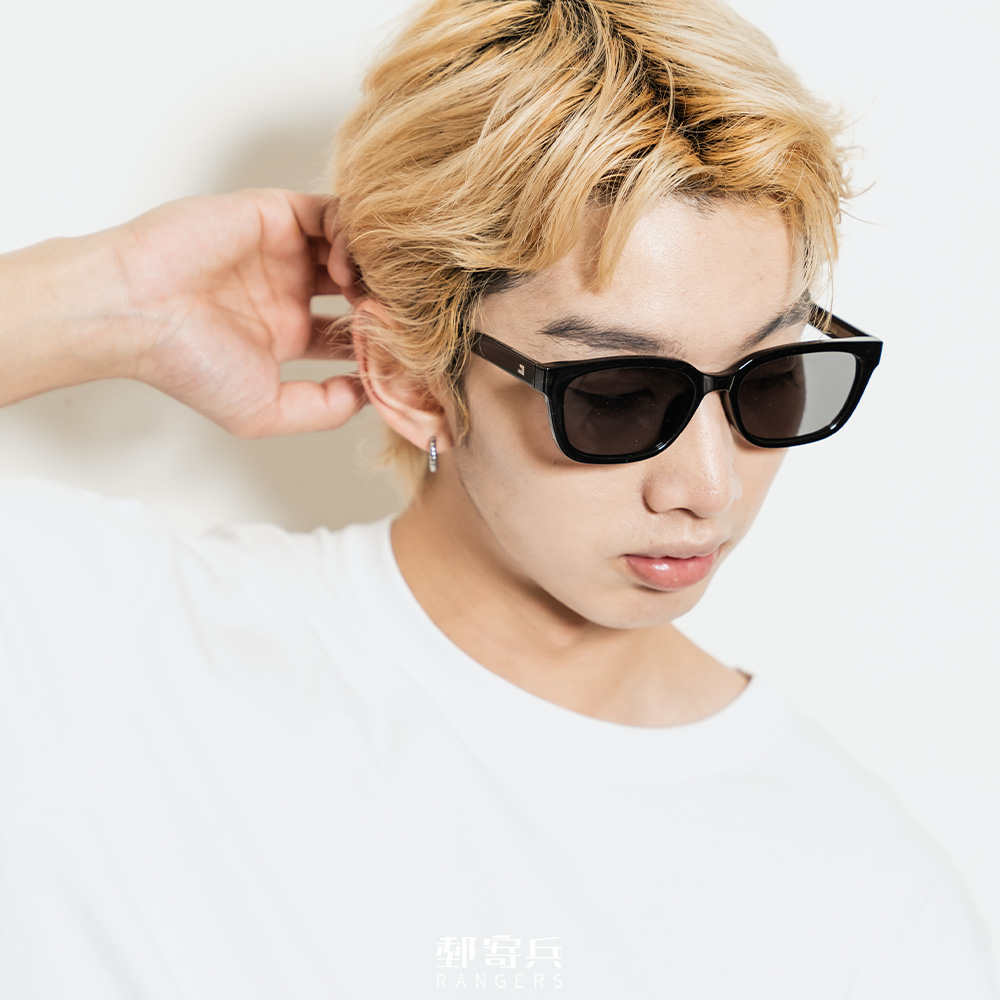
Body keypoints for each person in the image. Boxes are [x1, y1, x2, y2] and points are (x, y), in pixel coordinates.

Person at [0, 0, 995, 997]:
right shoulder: (106, 653)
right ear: (408, 377)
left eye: (768, 380)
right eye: (618, 395)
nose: (709, 486)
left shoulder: (866, 900)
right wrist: (115, 296)